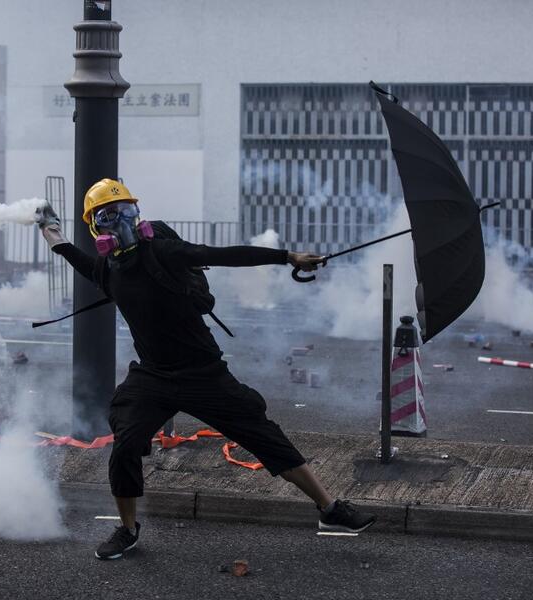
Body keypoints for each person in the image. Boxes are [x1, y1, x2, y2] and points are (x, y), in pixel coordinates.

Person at [37, 179, 375, 560]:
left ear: (138, 214)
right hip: (153, 376)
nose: (122, 222)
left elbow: (226, 254)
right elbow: (69, 253)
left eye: (127, 212)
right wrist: (49, 228)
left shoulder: (164, 251)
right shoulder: (107, 270)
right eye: (108, 216)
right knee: (126, 445)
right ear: (97, 228)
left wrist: (288, 257)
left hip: (203, 373)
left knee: (263, 434)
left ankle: (330, 509)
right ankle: (128, 529)